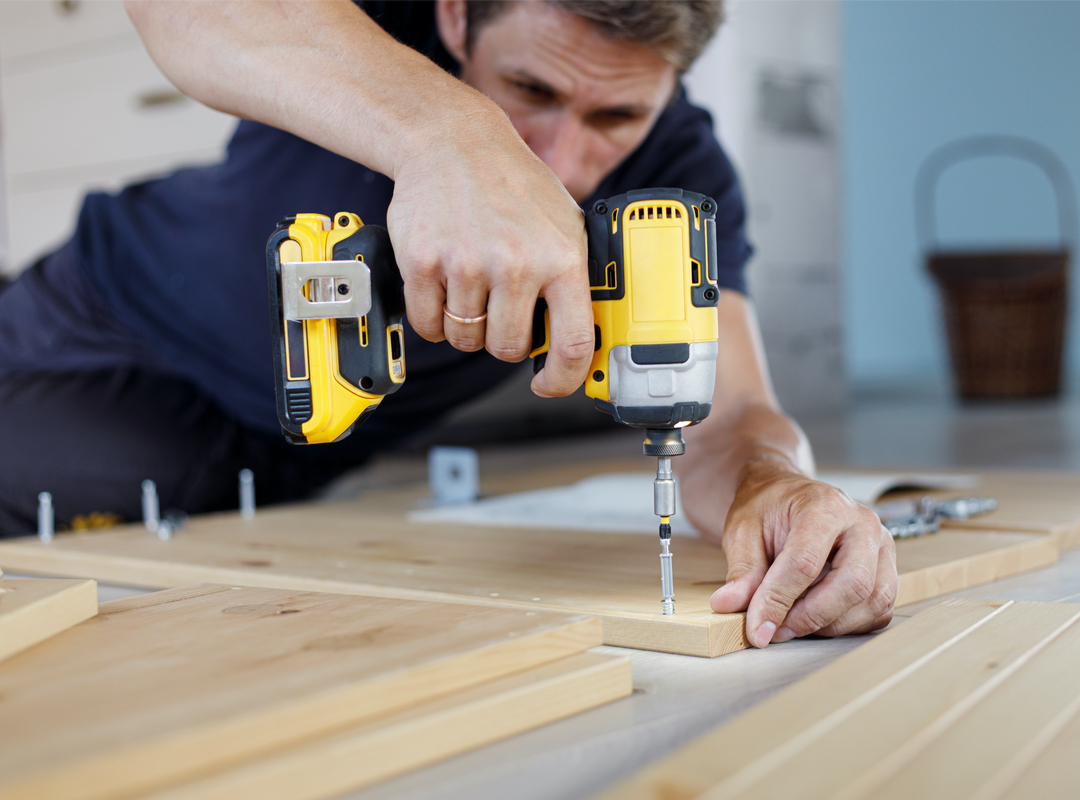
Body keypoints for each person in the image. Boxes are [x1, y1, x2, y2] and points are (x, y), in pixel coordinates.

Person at [0, 0, 896, 646]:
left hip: (287, 460)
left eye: (616, 114)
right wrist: (451, 136)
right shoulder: (377, 21)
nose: (558, 160)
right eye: (528, 89)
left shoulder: (683, 185)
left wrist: (773, 484)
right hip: (96, 324)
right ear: (458, 18)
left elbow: (729, 414)